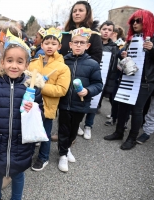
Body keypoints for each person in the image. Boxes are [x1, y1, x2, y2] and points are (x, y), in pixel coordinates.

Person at [0, 31, 44, 200]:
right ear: (2, 62)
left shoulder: (32, 89)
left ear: (26, 64)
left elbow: (40, 113)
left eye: (20, 62)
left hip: (21, 142)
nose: (14, 65)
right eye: (10, 60)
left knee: (18, 175)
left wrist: (33, 109)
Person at [104, 9, 154, 150]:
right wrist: (122, 54)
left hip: (145, 82)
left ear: (147, 21)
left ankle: (132, 138)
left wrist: (153, 49)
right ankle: (119, 132)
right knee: (123, 107)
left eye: (138, 21)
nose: (135, 24)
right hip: (129, 78)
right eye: (133, 21)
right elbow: (120, 53)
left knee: (137, 110)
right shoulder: (132, 38)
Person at [52, 0, 103, 142]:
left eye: (80, 10)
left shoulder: (93, 34)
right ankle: (63, 133)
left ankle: (70, 136)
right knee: (63, 106)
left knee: (75, 107)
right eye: (74, 11)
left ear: (87, 13)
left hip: (82, 76)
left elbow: (97, 56)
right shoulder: (66, 33)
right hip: (64, 74)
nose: (77, 13)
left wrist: (81, 67)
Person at [57, 27, 103, 172]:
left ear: (87, 46)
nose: (78, 45)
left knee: (74, 129)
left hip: (81, 104)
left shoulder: (93, 64)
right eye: (75, 42)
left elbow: (98, 84)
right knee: (63, 129)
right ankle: (63, 154)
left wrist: (88, 91)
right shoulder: (63, 61)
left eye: (81, 43)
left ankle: (68, 148)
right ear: (70, 44)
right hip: (64, 103)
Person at [28, 27, 71, 171]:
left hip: (48, 106)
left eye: (54, 43)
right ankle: (27, 154)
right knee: (30, 130)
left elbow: (61, 90)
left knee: (45, 134)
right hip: (31, 104)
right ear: (42, 45)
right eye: (47, 43)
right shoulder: (33, 62)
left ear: (59, 46)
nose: (50, 46)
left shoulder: (63, 67)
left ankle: (43, 157)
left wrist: (41, 86)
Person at [80, 20, 120, 140]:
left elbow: (113, 68)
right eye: (104, 29)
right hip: (87, 75)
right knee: (81, 100)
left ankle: (88, 126)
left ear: (113, 33)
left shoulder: (114, 48)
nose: (106, 32)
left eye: (109, 30)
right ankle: (77, 124)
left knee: (94, 103)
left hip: (101, 78)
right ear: (100, 30)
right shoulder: (91, 41)